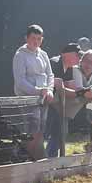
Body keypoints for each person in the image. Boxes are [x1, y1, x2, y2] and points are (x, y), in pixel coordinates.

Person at [12, 24, 54, 161]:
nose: (36, 41)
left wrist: (49, 90)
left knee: (41, 129)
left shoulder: (43, 54)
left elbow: (50, 75)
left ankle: (36, 159)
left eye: (39, 39)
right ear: (26, 38)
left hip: (43, 97)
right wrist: (37, 91)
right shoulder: (20, 55)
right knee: (32, 130)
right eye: (33, 38)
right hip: (28, 98)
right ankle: (27, 159)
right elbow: (20, 81)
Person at [46, 43, 81, 158]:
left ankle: (52, 159)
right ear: (67, 54)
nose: (79, 58)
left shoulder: (69, 68)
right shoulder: (55, 63)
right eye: (77, 55)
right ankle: (47, 159)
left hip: (57, 104)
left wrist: (79, 92)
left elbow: (70, 89)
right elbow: (59, 87)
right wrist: (80, 93)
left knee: (61, 131)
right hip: (47, 103)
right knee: (47, 133)